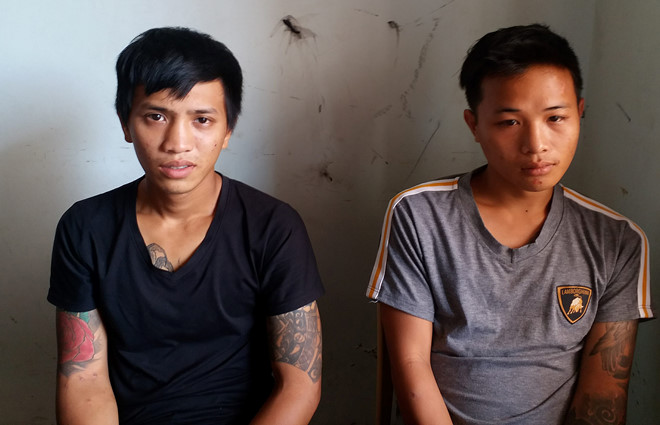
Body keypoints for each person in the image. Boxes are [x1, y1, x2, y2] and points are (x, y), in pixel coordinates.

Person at [366, 24, 653, 425]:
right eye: (509, 122)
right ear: (474, 125)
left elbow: (603, 393)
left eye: (556, 117)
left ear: (580, 113)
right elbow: (411, 365)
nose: (536, 145)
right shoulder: (420, 215)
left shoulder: (616, 240)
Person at [48, 27, 324, 425]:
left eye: (202, 119)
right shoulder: (85, 228)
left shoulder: (273, 227)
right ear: (126, 124)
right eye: (156, 116)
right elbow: (83, 379)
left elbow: (298, 384)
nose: (178, 143)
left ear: (227, 130)